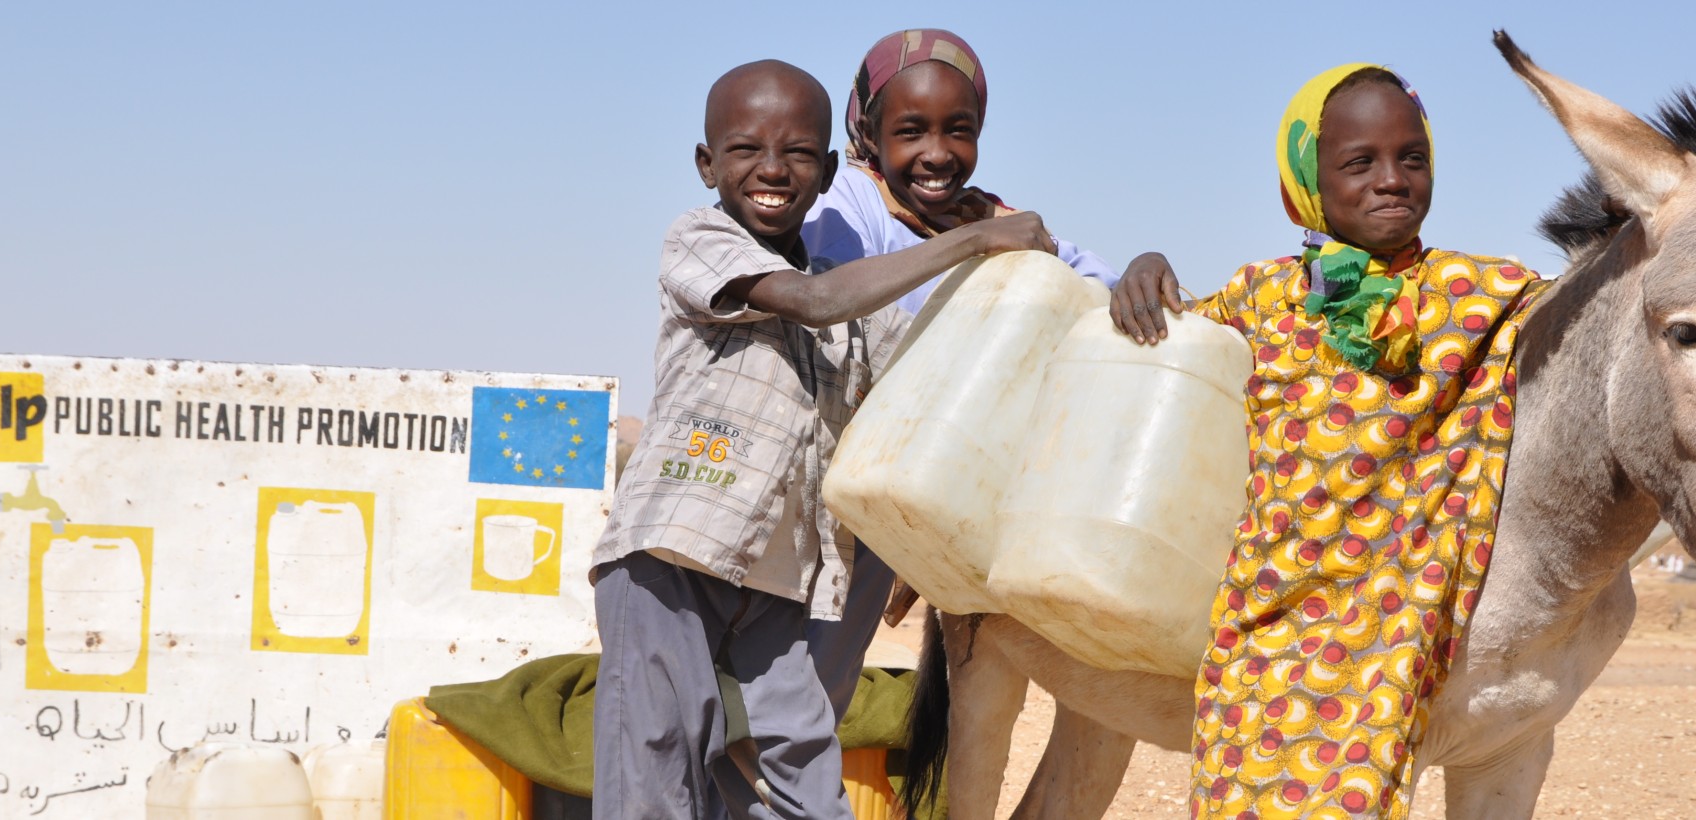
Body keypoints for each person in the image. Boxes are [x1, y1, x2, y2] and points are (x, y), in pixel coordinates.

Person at [590, 59, 1053, 820]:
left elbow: (940, 367)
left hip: (779, 584)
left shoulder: (860, 304)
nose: (772, 169)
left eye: (799, 153)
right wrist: (970, 243)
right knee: (655, 783)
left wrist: (1067, 268)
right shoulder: (702, 240)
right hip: (671, 561)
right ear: (707, 164)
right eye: (745, 150)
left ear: (830, 168)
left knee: (803, 779)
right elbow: (811, 301)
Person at [1113, 64, 1550, 818]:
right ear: (1305, 182)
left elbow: (1599, 311)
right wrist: (1146, 267)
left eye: (1412, 158)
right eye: (1360, 162)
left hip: (1384, 651)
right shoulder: (1258, 298)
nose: (1392, 180)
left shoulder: (1486, 297)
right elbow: (1178, 348)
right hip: (1257, 639)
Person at [800, 29, 1178, 711]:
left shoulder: (998, 224)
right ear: (868, 130)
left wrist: (1146, 267)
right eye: (911, 131)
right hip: (816, 500)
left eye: (959, 130)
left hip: (899, 506)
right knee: (777, 700)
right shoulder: (849, 209)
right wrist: (968, 246)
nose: (938, 154)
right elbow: (827, 303)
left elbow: (1098, 291)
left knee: (817, 703)